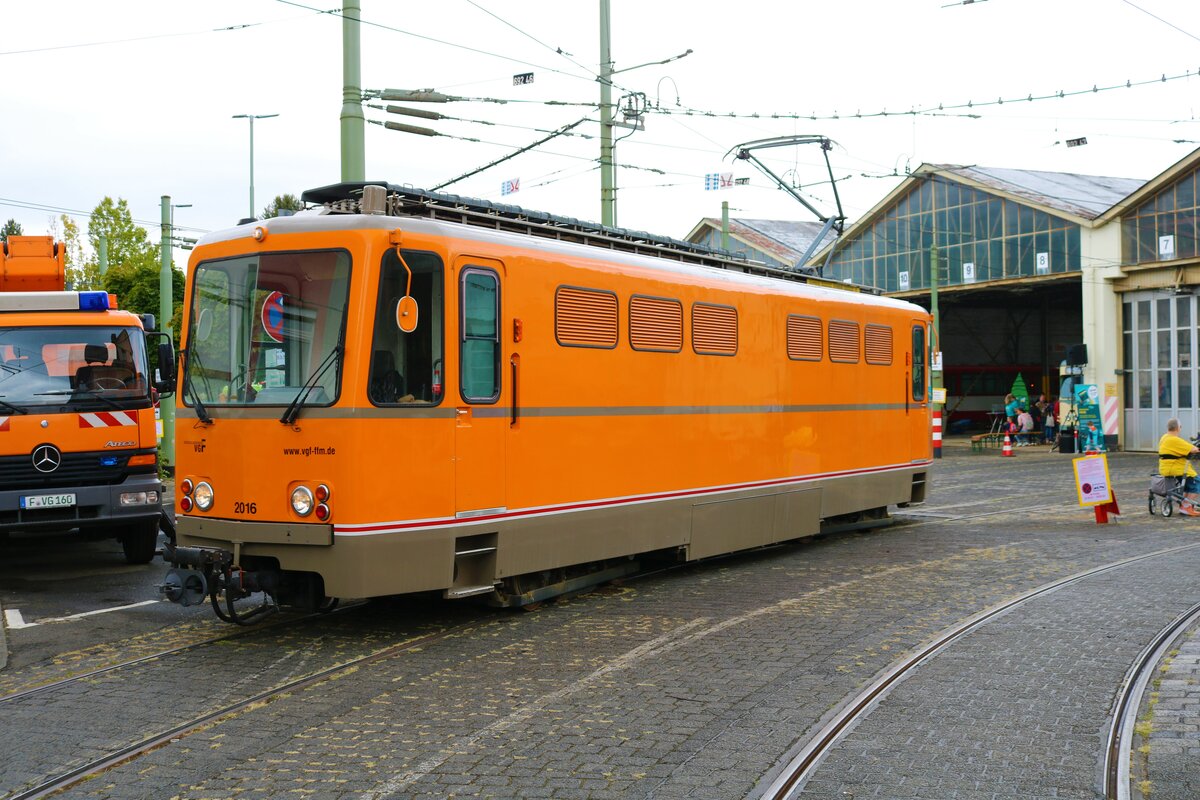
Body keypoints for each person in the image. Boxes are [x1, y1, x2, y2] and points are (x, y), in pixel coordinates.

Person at [1158, 418, 1200, 516]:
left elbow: (1182, 448)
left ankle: (1184, 506)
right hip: (1177, 468)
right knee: (1198, 483)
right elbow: (1194, 449)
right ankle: (1186, 506)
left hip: (1168, 467)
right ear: (1178, 428)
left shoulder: (1164, 437)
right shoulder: (1175, 440)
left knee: (1189, 486)